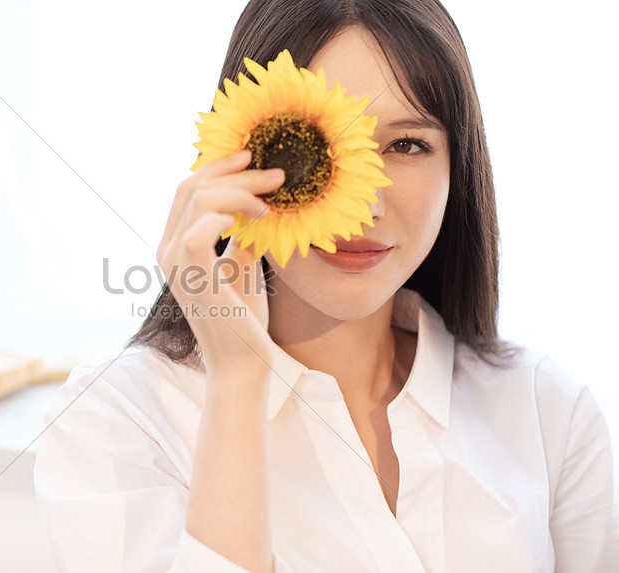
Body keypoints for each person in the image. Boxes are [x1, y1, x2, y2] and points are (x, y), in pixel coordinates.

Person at [33, 0, 619, 571]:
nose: (363, 204)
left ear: (458, 169)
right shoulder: (115, 423)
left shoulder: (548, 412)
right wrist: (238, 381)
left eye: (406, 145)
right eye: (316, 147)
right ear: (233, 162)